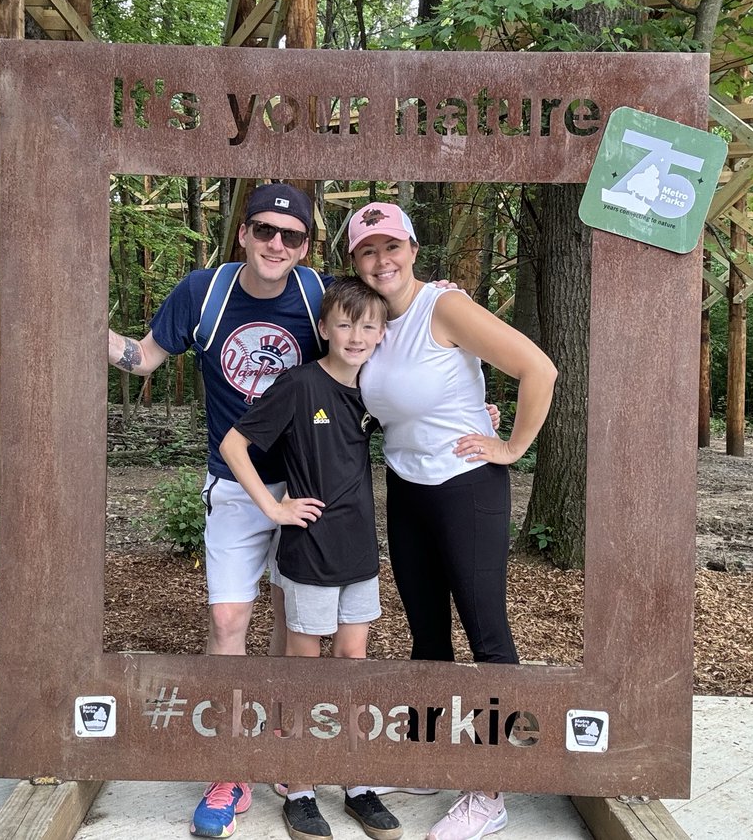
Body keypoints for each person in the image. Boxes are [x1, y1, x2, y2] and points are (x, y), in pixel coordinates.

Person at [108, 181, 329, 838]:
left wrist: (470, 401)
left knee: (297, 628)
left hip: (303, 486)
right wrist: (74, 317)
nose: (276, 244)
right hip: (232, 485)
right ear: (243, 233)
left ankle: (290, 759)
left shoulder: (320, 295)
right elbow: (143, 358)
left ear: (305, 247)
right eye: (265, 230)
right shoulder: (204, 292)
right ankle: (231, 768)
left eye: (291, 236)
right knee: (228, 618)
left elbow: (380, 351)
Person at [347, 202, 558, 840]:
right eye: (367, 251)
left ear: (412, 247)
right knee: (427, 637)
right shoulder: (376, 320)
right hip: (408, 486)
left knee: (487, 637)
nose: (381, 261)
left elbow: (537, 368)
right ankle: (428, 759)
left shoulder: (444, 306)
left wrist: (512, 447)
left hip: (466, 485)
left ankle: (491, 790)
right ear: (355, 262)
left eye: (392, 247)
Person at [220, 278, 403, 840]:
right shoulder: (299, 384)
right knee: (303, 667)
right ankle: (298, 784)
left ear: (381, 334)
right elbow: (233, 444)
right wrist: (274, 507)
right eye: (344, 324)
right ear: (324, 329)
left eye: (368, 325)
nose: (356, 335)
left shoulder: (379, 389)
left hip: (360, 551)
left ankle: (351, 781)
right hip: (309, 550)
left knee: (350, 661)